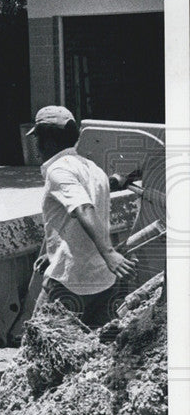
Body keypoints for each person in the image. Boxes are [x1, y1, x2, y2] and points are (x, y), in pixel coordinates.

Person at [29, 105, 137, 327]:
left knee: (39, 350)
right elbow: (66, 217)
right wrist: (51, 253)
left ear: (47, 141)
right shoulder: (93, 169)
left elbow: (83, 208)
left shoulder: (58, 170)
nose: (35, 145)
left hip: (69, 282)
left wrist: (110, 254)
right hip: (103, 280)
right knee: (98, 351)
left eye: (36, 138)